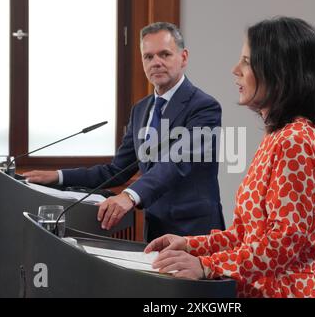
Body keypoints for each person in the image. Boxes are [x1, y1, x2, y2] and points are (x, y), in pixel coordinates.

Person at [144, 17, 315, 298]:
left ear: (279, 71)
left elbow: (283, 244)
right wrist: (190, 245)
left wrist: (206, 265)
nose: (235, 70)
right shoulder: (278, 136)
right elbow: (244, 235)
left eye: (247, 62)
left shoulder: (296, 141)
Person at [24, 22, 225, 241]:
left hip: (195, 230)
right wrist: (59, 176)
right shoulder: (141, 110)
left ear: (183, 57)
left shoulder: (204, 107)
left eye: (165, 54)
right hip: (156, 230)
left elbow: (177, 162)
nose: (156, 62)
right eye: (148, 57)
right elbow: (116, 170)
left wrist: (129, 196)